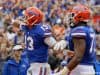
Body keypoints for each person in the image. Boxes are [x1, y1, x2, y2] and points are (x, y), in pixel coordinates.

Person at [20, 7, 67, 75]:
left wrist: (62, 43)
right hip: (31, 64)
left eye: (26, 16)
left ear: (33, 18)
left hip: (40, 65)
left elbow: (55, 45)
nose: (24, 18)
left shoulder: (40, 31)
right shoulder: (27, 27)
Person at [54, 4, 96, 75]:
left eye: (73, 15)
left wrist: (65, 71)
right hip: (87, 68)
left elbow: (78, 57)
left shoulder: (78, 31)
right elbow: (80, 51)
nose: (71, 17)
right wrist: (66, 42)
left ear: (79, 16)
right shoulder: (89, 29)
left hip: (79, 68)